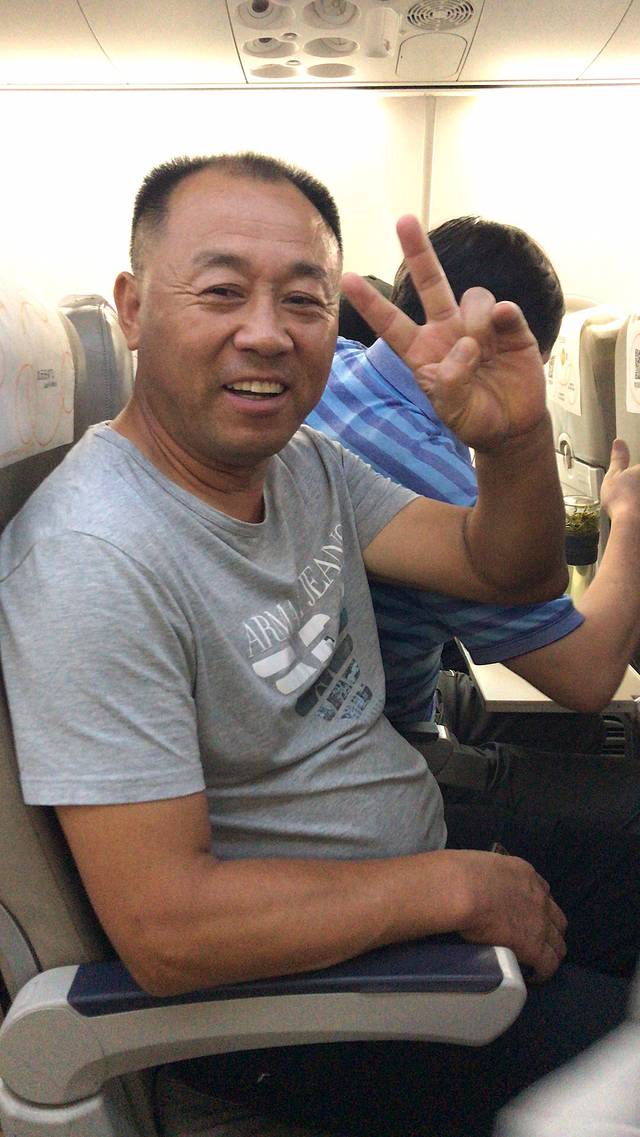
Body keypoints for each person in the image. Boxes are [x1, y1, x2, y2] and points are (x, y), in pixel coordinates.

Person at [0, 154, 638, 1137]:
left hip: (406, 861)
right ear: (132, 308)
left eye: (302, 299)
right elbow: (167, 929)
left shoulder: (298, 463)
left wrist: (508, 446)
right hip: (292, 1002)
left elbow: (499, 569)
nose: (266, 331)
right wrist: (450, 887)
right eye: (221, 291)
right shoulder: (92, 557)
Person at [309, 215, 640, 834]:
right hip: (387, 743)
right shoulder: (430, 472)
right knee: (624, 796)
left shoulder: (337, 366)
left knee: (613, 731)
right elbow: (589, 674)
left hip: (394, 688)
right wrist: (630, 520)